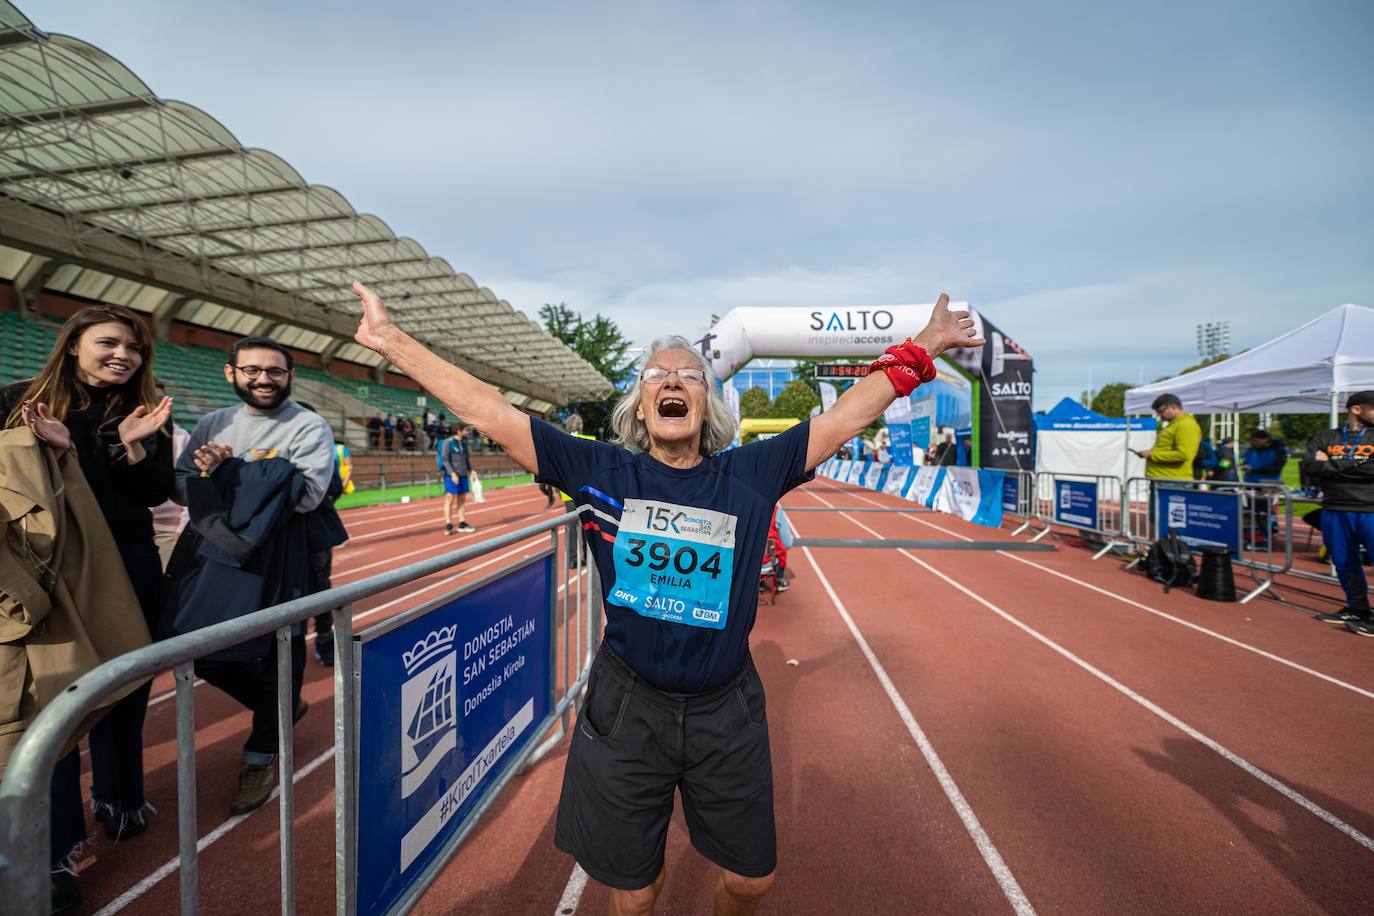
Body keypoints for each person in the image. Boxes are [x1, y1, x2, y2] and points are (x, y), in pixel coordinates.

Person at [348, 280, 980, 916]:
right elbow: (490, 413)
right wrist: (390, 340)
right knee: (635, 890)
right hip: (629, 707)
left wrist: (924, 346)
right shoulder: (600, 472)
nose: (673, 382)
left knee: (751, 880)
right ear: (639, 403)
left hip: (726, 707)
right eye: (657, 374)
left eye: (690, 376)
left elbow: (846, 415)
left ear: (707, 406)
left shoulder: (750, 474)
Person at [2, 304, 175, 910]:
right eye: (109, 342)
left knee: (126, 689)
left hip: (128, 561)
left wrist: (130, 448)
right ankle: (56, 849)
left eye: (134, 347)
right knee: (53, 702)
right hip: (47, 569)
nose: (123, 356)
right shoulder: (17, 399)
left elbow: (158, 492)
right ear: (73, 342)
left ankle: (120, 796)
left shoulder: (143, 411)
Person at [169, 336, 335, 814]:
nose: (264, 379)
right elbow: (182, 487)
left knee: (281, 650)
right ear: (231, 373)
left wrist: (228, 474)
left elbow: (306, 496)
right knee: (201, 650)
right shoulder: (212, 423)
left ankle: (262, 751)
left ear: (290, 376)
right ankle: (280, 709)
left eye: (275, 371)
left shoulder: (308, 425)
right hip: (217, 552)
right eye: (252, 370)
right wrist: (250, 478)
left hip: (286, 555)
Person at [1302, 391, 1374, 635]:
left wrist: (1330, 465)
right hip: (1334, 509)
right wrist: (1357, 463)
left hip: (1370, 510)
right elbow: (1310, 467)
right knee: (1344, 563)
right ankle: (1358, 608)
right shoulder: (1327, 436)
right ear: (1356, 409)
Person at [149, 379, 191, 569]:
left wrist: (182, 529)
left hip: (168, 531)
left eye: (160, 398)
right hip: (127, 527)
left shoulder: (181, 437)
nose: (155, 404)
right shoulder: (120, 433)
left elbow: (192, 483)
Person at [1138, 394, 1201, 479]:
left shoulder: (1185, 425)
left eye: (1161, 411)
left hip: (1172, 480)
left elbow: (1183, 454)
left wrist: (1152, 455)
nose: (1159, 415)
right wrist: (1151, 452)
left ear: (1174, 407)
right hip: (1165, 479)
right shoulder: (1174, 425)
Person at [439, 423, 476, 534]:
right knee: (449, 500)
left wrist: (472, 470)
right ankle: (448, 524)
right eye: (466, 430)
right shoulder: (448, 443)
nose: (468, 432)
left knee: (462, 500)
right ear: (459, 431)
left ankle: (462, 523)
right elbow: (445, 460)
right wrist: (452, 473)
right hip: (451, 476)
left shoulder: (464, 443)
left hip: (463, 475)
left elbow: (467, 459)